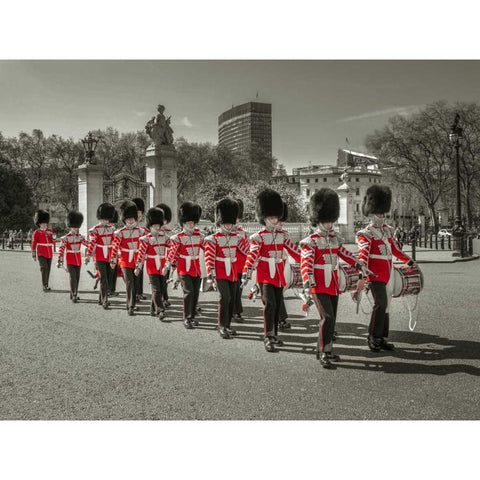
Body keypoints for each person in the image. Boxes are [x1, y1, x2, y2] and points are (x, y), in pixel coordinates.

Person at [300, 189, 367, 368]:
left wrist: (358, 264)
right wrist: (307, 282)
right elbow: (305, 263)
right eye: (326, 220)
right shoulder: (310, 241)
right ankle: (323, 352)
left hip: (333, 284)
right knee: (327, 318)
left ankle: (326, 349)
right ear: (318, 219)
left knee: (332, 319)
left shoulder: (335, 239)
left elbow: (344, 254)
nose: (329, 224)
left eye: (331, 220)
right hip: (318, 284)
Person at [356, 185, 417, 352]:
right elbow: (363, 256)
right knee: (380, 304)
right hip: (374, 275)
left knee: (387, 305)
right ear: (370, 213)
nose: (381, 216)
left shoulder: (388, 231)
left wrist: (409, 261)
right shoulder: (366, 233)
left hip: (388, 273)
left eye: (383, 213)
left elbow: (395, 250)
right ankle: (372, 336)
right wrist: (363, 276)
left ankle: (382, 337)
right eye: (378, 212)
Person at [241, 189, 301, 353]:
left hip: (279, 275)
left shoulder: (283, 235)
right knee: (270, 304)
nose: (274, 220)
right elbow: (252, 254)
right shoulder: (258, 237)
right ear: (264, 218)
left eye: (276, 217)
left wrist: (310, 262)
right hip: (265, 275)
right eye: (271, 217)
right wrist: (246, 272)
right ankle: (268, 337)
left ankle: (273, 335)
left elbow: (295, 251)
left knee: (275, 306)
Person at [204, 198, 247, 339]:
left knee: (232, 299)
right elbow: (209, 257)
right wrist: (211, 274)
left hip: (233, 272)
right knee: (225, 297)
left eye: (230, 224)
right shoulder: (213, 238)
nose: (229, 227)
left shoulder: (237, 237)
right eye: (226, 224)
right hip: (221, 272)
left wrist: (244, 239)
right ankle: (221, 326)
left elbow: (246, 251)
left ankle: (227, 326)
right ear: (220, 223)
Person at [163, 202, 204, 329]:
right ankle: (186, 317)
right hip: (184, 268)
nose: (191, 225)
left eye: (192, 223)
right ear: (183, 223)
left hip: (196, 268)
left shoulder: (200, 236)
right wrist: (167, 265)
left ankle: (192, 317)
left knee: (195, 293)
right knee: (188, 292)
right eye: (188, 223)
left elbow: (208, 249)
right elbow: (172, 253)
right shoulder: (177, 238)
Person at [135, 207, 169, 320]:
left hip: (162, 266)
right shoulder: (145, 239)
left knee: (160, 287)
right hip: (152, 266)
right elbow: (141, 254)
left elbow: (173, 248)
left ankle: (152, 309)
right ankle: (160, 310)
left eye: (158, 226)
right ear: (150, 226)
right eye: (155, 226)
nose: (157, 228)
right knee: (156, 289)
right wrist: (138, 267)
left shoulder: (165, 238)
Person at [110, 200, 143, 316]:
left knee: (135, 283)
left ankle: (132, 303)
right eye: (128, 218)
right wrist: (113, 260)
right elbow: (114, 247)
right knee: (129, 282)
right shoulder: (120, 233)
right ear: (124, 219)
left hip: (137, 261)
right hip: (125, 260)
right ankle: (131, 306)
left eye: (132, 218)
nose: (131, 220)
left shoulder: (141, 232)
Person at [84, 202, 116, 309]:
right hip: (100, 256)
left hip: (110, 256)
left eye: (107, 219)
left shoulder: (112, 229)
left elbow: (115, 242)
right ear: (100, 218)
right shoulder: (95, 230)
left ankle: (100, 298)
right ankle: (105, 300)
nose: (106, 221)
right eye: (104, 219)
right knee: (103, 278)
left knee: (108, 277)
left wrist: (116, 254)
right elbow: (92, 243)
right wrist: (88, 255)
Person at [57, 211, 88, 303]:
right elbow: (61, 249)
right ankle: (74, 294)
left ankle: (73, 293)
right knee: (72, 277)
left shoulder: (81, 237)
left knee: (77, 278)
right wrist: (60, 259)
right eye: (74, 228)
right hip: (70, 259)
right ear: (70, 227)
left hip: (78, 259)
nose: (76, 229)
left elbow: (88, 244)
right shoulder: (65, 238)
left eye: (77, 228)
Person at [231, 199, 249, 323]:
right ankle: (235, 312)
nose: (237, 221)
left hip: (241, 266)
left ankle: (235, 312)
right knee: (232, 291)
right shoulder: (225, 233)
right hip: (229, 266)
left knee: (238, 290)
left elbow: (247, 250)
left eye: (238, 218)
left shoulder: (243, 233)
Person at [31, 210, 56, 292]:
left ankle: (46, 284)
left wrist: (53, 237)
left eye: (45, 223)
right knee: (44, 268)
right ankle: (44, 285)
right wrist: (34, 254)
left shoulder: (50, 231)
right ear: (39, 223)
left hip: (49, 253)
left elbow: (53, 242)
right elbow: (34, 244)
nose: (44, 224)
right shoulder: (36, 232)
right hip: (41, 253)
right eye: (42, 223)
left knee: (48, 269)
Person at [156, 203, 173, 308]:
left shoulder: (170, 232)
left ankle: (165, 298)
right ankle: (160, 300)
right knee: (157, 281)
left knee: (164, 280)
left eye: (165, 220)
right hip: (156, 259)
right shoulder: (154, 232)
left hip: (166, 259)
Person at [132, 197, 147, 302]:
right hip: (131, 254)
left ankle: (139, 293)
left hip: (140, 254)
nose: (140, 217)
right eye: (138, 215)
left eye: (141, 215)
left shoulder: (144, 228)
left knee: (140, 274)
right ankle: (134, 293)